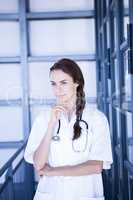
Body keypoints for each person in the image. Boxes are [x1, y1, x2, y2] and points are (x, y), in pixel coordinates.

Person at [24, 58, 113, 200]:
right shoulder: (44, 118)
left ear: (76, 83)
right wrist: (51, 125)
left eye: (63, 83)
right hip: (51, 194)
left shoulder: (97, 118)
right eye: (53, 84)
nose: (57, 90)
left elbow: (96, 166)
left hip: (85, 193)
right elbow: (38, 163)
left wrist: (53, 171)